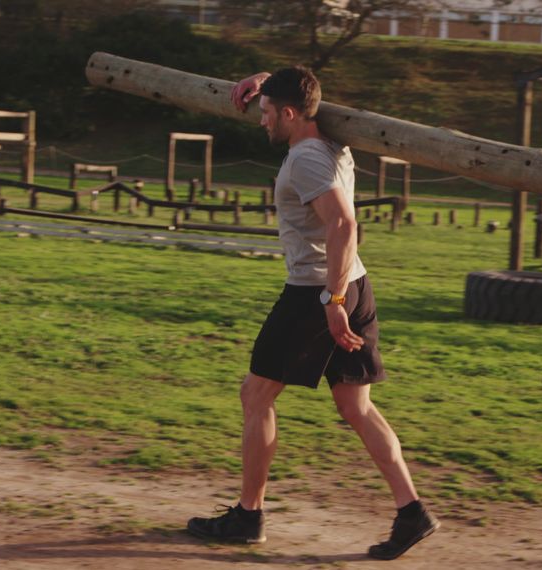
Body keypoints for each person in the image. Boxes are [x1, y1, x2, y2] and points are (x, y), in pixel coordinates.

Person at [185, 66, 439, 560]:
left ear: (288, 113)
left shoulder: (304, 159)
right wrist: (262, 78)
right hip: (356, 283)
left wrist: (333, 302)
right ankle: (413, 513)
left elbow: (344, 223)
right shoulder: (333, 142)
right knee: (355, 406)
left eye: (264, 112)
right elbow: (303, 85)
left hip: (315, 293)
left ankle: (247, 516)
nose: (260, 121)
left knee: (256, 394)